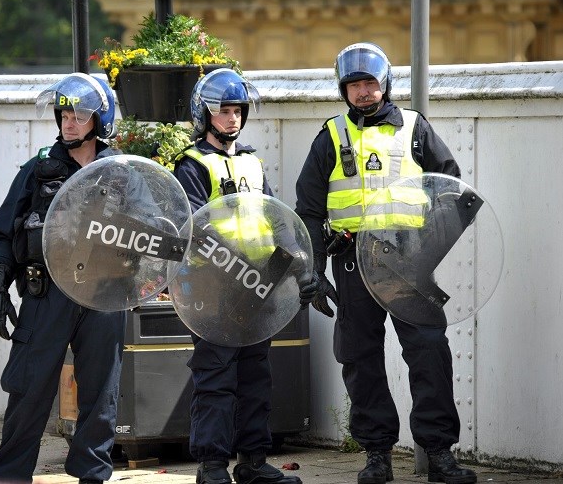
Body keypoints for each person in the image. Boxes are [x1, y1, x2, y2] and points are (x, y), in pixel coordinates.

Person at [294, 43, 478, 484]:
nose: (362, 92)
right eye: (354, 85)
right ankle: (376, 454)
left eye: (369, 83)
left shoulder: (415, 127)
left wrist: (429, 249)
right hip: (354, 263)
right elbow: (309, 210)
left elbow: (454, 193)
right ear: (344, 89)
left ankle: (439, 454)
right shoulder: (331, 136)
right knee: (360, 359)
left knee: (429, 354)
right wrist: (313, 274)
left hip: (408, 264)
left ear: (385, 83)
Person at [174, 68, 315, 484]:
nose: (232, 119)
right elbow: (196, 229)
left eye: (237, 111)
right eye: (223, 111)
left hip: (257, 286)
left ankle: (253, 462)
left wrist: (299, 267)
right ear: (205, 115)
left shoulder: (253, 163)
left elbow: (278, 221)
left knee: (256, 375)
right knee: (216, 378)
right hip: (215, 288)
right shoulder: (192, 164)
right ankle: (213, 466)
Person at [0, 72, 126, 484]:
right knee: (29, 389)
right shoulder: (38, 169)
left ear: (100, 120)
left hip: (102, 296)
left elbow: (148, 234)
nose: (68, 122)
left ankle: (92, 474)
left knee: (102, 394)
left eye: (79, 115)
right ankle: (9, 476)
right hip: (45, 294)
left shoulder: (119, 172)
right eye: (64, 113)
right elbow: (5, 233)